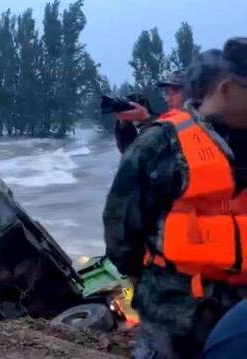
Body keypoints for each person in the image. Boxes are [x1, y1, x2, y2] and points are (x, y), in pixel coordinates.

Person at [103, 37, 247, 359]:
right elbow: (121, 225)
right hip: (174, 310)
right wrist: (148, 279)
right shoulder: (160, 145)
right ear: (226, 90)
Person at [114, 71, 187, 153]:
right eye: (166, 93)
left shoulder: (193, 121)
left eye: (175, 92)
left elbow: (168, 135)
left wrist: (146, 120)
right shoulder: (166, 121)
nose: (168, 99)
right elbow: (133, 155)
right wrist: (125, 125)